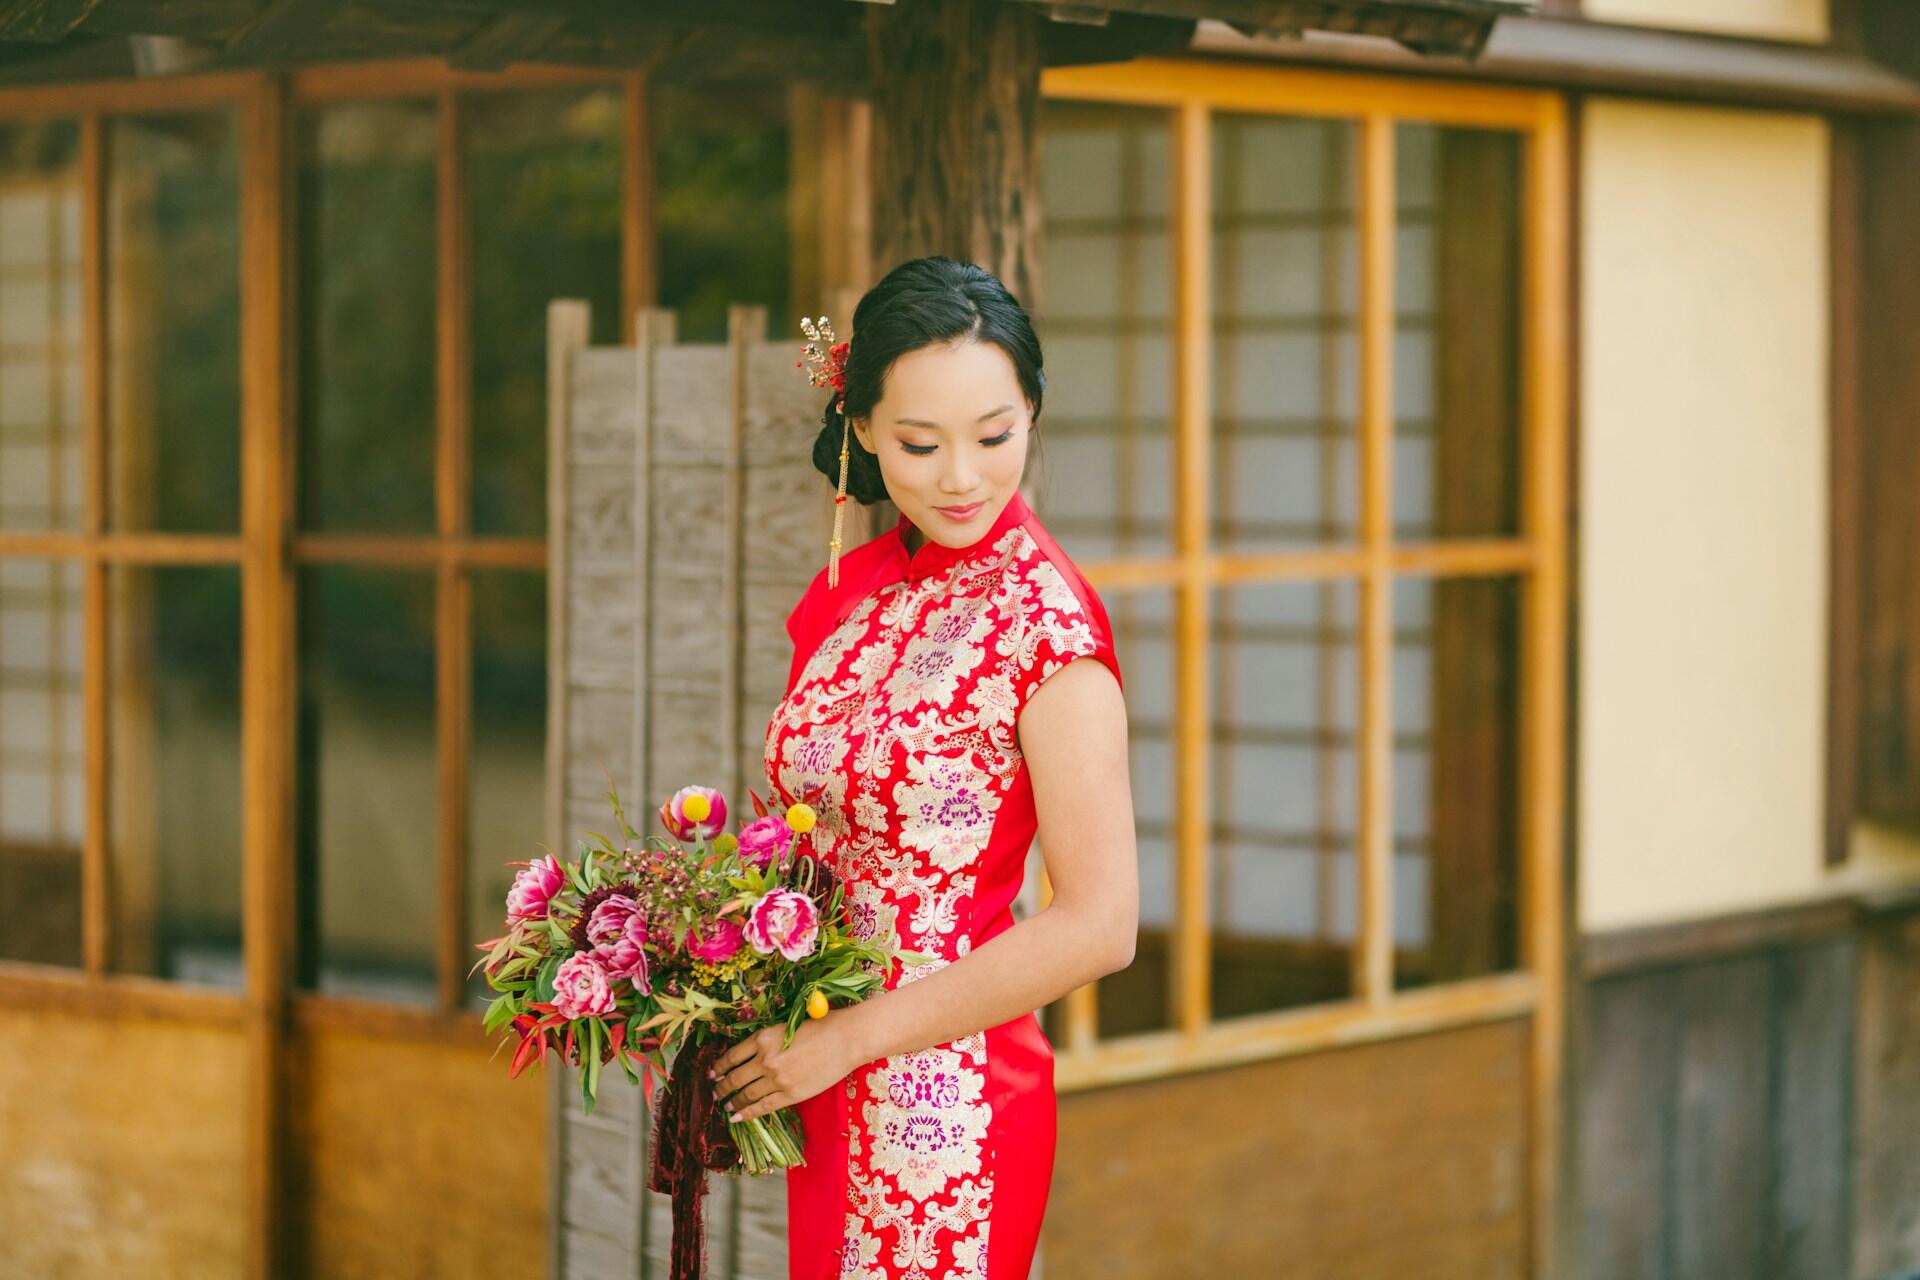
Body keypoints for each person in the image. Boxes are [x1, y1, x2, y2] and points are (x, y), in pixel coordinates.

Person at [706, 255, 1140, 1280]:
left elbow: (1100, 922)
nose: (960, 476)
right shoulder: (860, 592)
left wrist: (852, 1038)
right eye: (919, 441)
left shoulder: (1047, 628)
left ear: (1032, 411)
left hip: (948, 1107)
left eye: (995, 435)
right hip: (825, 1064)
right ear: (860, 427)